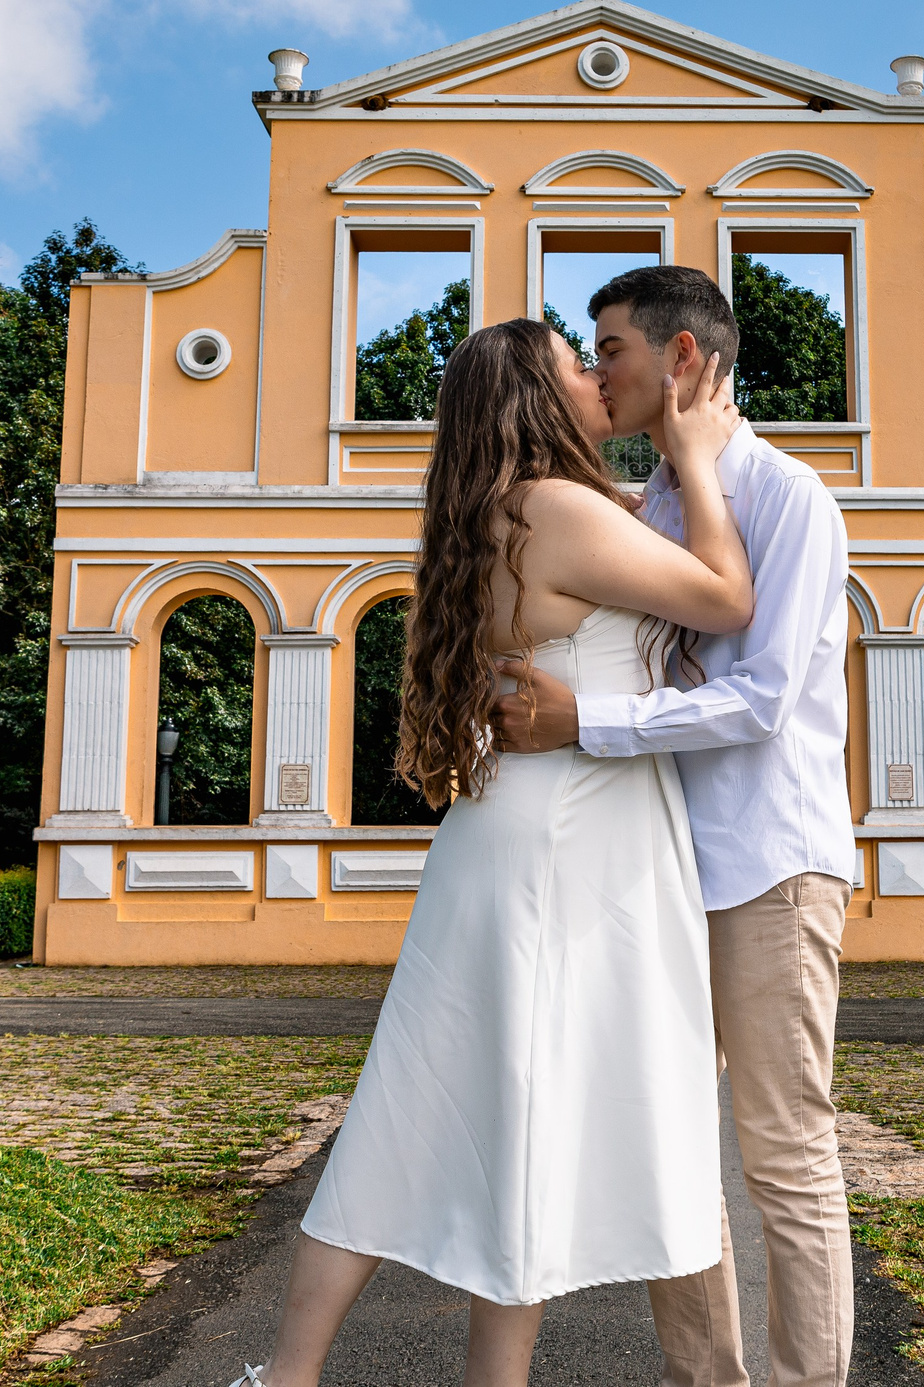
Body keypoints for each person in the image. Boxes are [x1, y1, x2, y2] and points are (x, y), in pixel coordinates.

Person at [235, 317, 754, 1387]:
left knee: (452, 1112)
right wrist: (698, 463)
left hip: (517, 838)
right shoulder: (560, 509)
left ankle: (290, 1379)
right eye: (577, 363)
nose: (596, 377)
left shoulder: (492, 511)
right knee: (512, 1109)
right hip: (571, 843)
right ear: (537, 395)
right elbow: (725, 599)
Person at [492, 264, 857, 1387]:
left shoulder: (789, 495)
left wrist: (581, 721)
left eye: (610, 350)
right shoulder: (641, 507)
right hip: (647, 867)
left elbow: (761, 699)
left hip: (765, 862)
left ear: (683, 357)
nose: (597, 372)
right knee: (668, 1147)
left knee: (784, 1152)